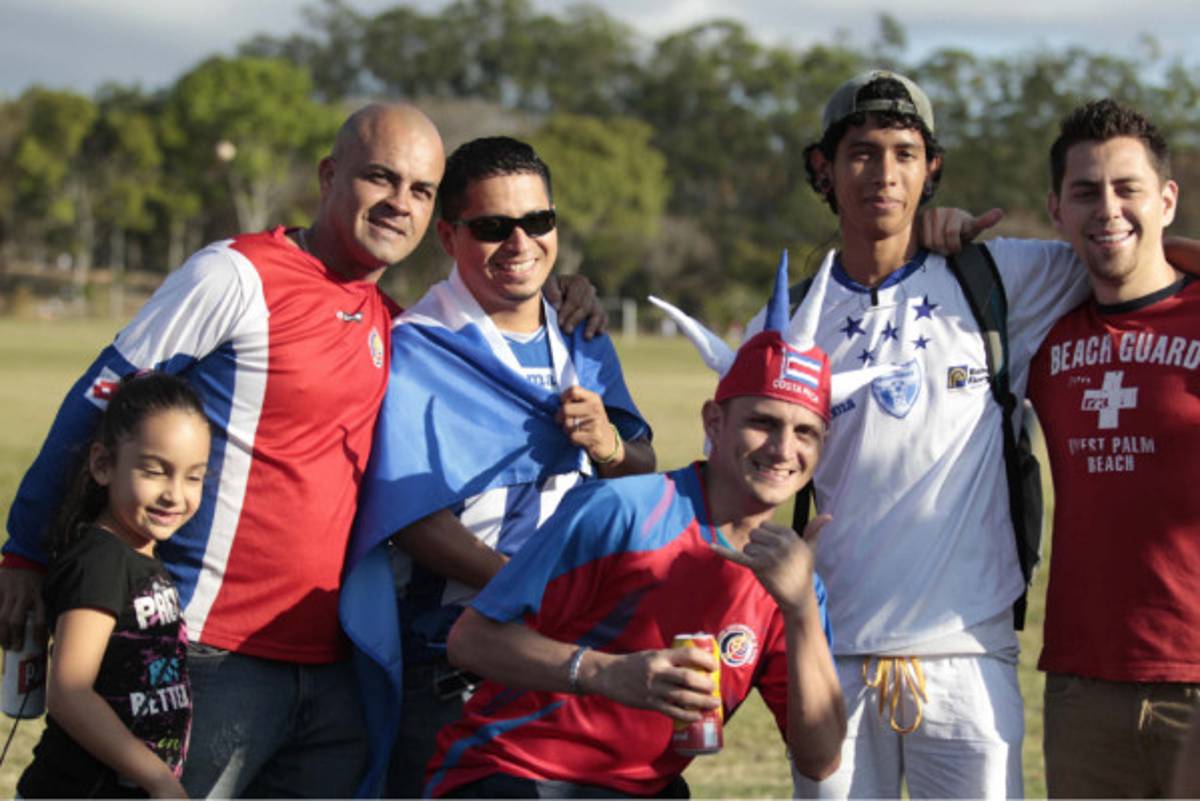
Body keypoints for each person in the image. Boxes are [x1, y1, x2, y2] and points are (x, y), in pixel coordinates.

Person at [2, 103, 604, 798]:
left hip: (335, 670)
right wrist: (25, 553)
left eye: (421, 189)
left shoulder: (398, 325)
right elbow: (100, 399)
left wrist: (561, 295)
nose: (399, 203)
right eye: (380, 177)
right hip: (206, 651)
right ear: (328, 175)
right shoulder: (235, 275)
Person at [778, 70, 1101, 799]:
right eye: (862, 153)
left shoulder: (1000, 277)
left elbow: (1138, 256)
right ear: (823, 168)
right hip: (833, 653)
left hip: (969, 656)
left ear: (933, 168)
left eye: (905, 153)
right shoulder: (792, 318)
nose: (884, 174)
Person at [420, 255, 846, 798]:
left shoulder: (789, 577)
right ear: (714, 422)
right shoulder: (622, 511)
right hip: (515, 773)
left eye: (806, 432)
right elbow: (471, 641)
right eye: (763, 422)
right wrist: (605, 674)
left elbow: (821, 758)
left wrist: (801, 609)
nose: (784, 449)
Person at [337, 135, 656, 797]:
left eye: (537, 221)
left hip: (573, 658)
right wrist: (533, 590)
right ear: (447, 236)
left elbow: (641, 474)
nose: (520, 243)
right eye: (492, 227)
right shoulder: (418, 348)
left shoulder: (582, 334)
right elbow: (411, 519)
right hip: (453, 667)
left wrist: (608, 447)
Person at [1028, 99, 1200, 798]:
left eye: (1128, 188)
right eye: (1085, 191)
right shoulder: (1043, 331)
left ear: (1167, 200)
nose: (1108, 208)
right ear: (1056, 210)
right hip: (1083, 684)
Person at [17, 373, 210, 798]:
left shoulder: (141, 556)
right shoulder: (100, 563)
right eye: (155, 472)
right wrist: (157, 778)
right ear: (103, 465)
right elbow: (70, 693)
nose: (175, 495)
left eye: (193, 477)